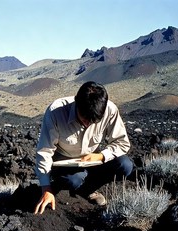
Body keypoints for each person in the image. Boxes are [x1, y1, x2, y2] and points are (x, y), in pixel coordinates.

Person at [34, 81, 133, 214]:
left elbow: (122, 143)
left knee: (125, 165)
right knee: (73, 180)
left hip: (93, 159)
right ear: (76, 103)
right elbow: (44, 151)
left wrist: (101, 155)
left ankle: (88, 190)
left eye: (94, 121)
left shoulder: (109, 110)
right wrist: (46, 188)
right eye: (84, 118)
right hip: (65, 163)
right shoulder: (56, 112)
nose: (87, 124)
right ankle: (70, 188)